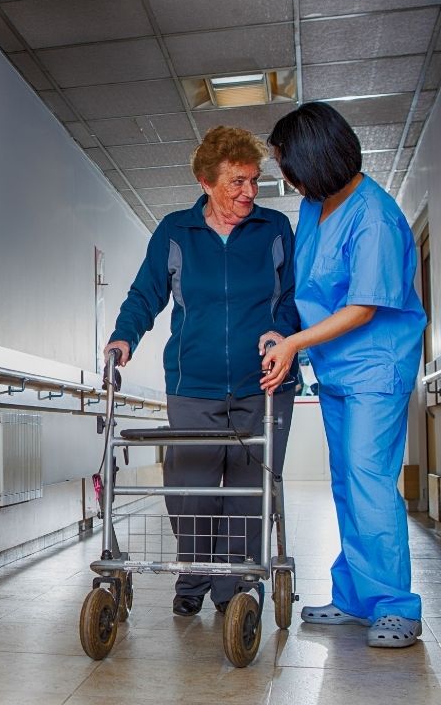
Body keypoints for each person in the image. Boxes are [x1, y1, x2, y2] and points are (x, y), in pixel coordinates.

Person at [105, 126, 300, 617]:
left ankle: (234, 588)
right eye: (236, 182)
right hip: (194, 384)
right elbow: (146, 292)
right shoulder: (176, 231)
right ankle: (193, 575)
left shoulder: (274, 228)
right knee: (190, 487)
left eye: (254, 181)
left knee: (247, 489)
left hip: (264, 384)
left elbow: (292, 299)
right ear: (205, 182)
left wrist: (281, 333)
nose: (249, 193)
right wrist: (125, 335)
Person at [261, 102, 427, 648]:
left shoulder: (374, 216)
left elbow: (362, 308)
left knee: (369, 479)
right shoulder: (316, 206)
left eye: (287, 163)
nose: (285, 176)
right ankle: (357, 597)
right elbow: (308, 290)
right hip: (335, 370)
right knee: (346, 483)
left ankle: (396, 605)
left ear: (315, 157)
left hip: (376, 367)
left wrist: (294, 344)